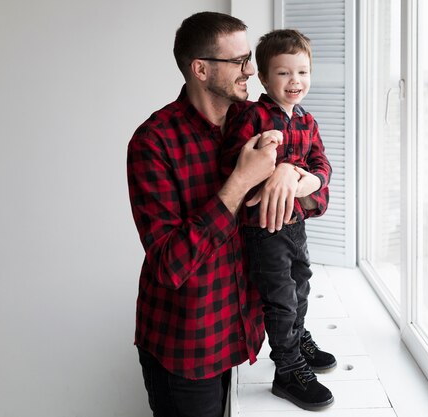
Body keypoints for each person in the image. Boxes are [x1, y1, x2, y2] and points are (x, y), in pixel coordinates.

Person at [126, 12, 305, 417]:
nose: (251, 71)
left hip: (239, 330)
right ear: (201, 69)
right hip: (186, 347)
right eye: (240, 62)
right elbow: (171, 264)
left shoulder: (257, 122)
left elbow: (318, 191)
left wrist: (290, 173)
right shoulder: (153, 142)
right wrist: (240, 182)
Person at [220, 29, 335, 411]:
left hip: (295, 225)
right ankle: (287, 369)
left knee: (302, 283)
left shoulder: (307, 120)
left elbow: (321, 164)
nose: (295, 81)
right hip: (264, 229)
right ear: (265, 78)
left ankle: (299, 338)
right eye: (284, 73)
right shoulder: (252, 115)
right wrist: (278, 167)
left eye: (302, 72)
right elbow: (234, 162)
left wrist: (311, 178)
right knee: (281, 298)